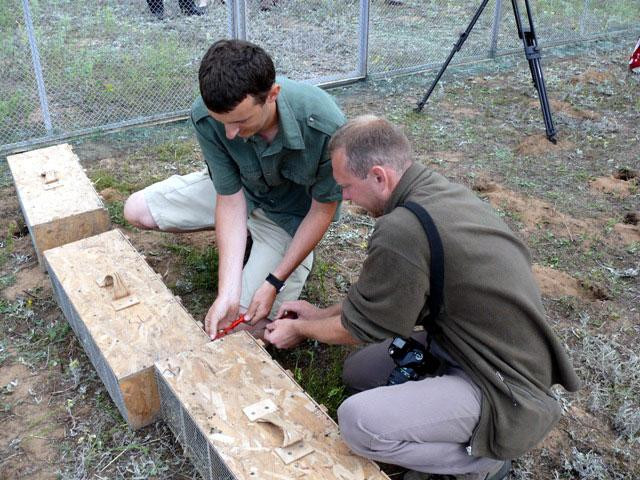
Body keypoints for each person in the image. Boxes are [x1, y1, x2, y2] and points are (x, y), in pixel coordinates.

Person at [264, 116, 580, 480]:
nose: (345, 199)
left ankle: (482, 464)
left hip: (500, 383)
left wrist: (303, 329)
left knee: (357, 422)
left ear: (379, 176)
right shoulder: (434, 190)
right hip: (468, 345)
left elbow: (361, 327)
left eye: (346, 187)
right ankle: (439, 408)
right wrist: (317, 314)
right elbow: (378, 300)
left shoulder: (402, 228)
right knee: (359, 372)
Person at [124, 40, 345, 339]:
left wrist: (274, 282)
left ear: (272, 95)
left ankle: (281, 254)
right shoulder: (207, 114)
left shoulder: (325, 127)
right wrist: (226, 292)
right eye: (223, 123)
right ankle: (247, 242)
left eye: (240, 121)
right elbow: (229, 198)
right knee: (136, 210)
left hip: (288, 219)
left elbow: (322, 212)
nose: (230, 133)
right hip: (243, 194)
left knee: (245, 327)